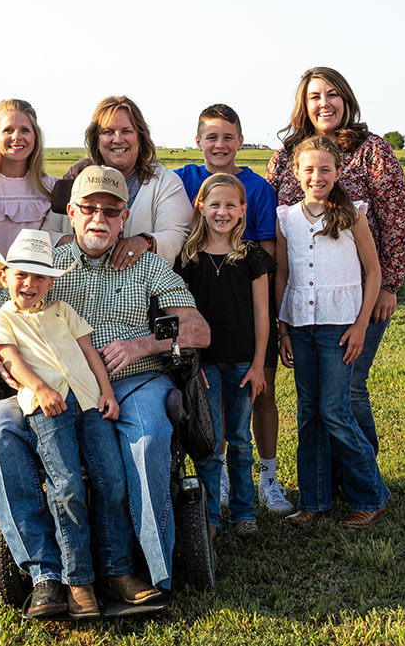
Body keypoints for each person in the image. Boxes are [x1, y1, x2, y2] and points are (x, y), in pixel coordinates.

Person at [0, 165, 210, 613]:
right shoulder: (47, 263)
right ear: (71, 212)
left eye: (111, 211)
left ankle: (145, 569)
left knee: (146, 437)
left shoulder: (148, 264)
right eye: (88, 209)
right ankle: (45, 572)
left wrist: (143, 342)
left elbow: (198, 328)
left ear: (125, 218)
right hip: (51, 384)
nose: (99, 219)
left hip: (134, 378)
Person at [0, 229, 133, 619]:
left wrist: (107, 392)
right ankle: (77, 581)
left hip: (88, 401)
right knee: (66, 486)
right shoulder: (0, 318)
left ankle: (118, 571)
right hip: (48, 406)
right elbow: (10, 358)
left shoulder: (63, 311)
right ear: (5, 277)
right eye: (21, 275)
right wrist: (41, 388)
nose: (29, 284)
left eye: (39, 277)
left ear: (50, 281)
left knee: (111, 480)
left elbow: (90, 353)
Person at [266, 67, 405, 467]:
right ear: (304, 104)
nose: (324, 103)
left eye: (332, 94)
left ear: (346, 99)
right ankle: (324, 482)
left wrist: (389, 285)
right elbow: (273, 224)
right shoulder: (284, 158)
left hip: (359, 294)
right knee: (313, 400)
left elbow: (396, 219)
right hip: (302, 300)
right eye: (315, 96)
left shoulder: (371, 151)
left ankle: (362, 479)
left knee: (349, 391)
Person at [172, 104, 290, 515]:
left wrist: (277, 328)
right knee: (212, 411)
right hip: (204, 333)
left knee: (261, 395)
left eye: (228, 137)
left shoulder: (257, 190)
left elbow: (267, 260)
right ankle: (218, 483)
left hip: (246, 323)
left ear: (240, 141)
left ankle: (268, 478)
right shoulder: (181, 180)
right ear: (198, 141)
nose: (220, 145)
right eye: (211, 137)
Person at [274, 137, 389, 527]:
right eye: (309, 169)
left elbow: (373, 272)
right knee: (309, 414)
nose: (317, 177)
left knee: (335, 412)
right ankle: (314, 501)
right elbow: (284, 275)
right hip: (301, 326)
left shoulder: (351, 214)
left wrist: (360, 325)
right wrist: (283, 328)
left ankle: (370, 495)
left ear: (338, 172)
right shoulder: (286, 218)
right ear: (296, 173)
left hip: (339, 326)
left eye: (325, 169)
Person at [0, 99, 58, 535]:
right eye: (7, 130)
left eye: (25, 129)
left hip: (32, 315)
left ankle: (35, 485)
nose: (16, 137)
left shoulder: (49, 189)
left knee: (32, 399)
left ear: (36, 136)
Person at [174, 174, 274, 539]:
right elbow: (182, 316)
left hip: (244, 363)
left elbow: (263, 314)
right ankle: (210, 516)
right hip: (203, 365)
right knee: (210, 443)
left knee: (241, 439)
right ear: (200, 205)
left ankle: (244, 512)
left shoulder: (252, 257)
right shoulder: (188, 257)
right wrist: (190, 364)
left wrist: (259, 363)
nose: (222, 212)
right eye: (215, 204)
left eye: (231, 205)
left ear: (243, 209)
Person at [49, 96, 191, 267]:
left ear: (140, 137)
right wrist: (84, 244)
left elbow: (178, 233)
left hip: (140, 287)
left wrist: (145, 240)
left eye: (126, 131)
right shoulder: (78, 179)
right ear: (97, 140)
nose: (118, 139)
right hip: (76, 287)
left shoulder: (164, 182)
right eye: (108, 132)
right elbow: (47, 235)